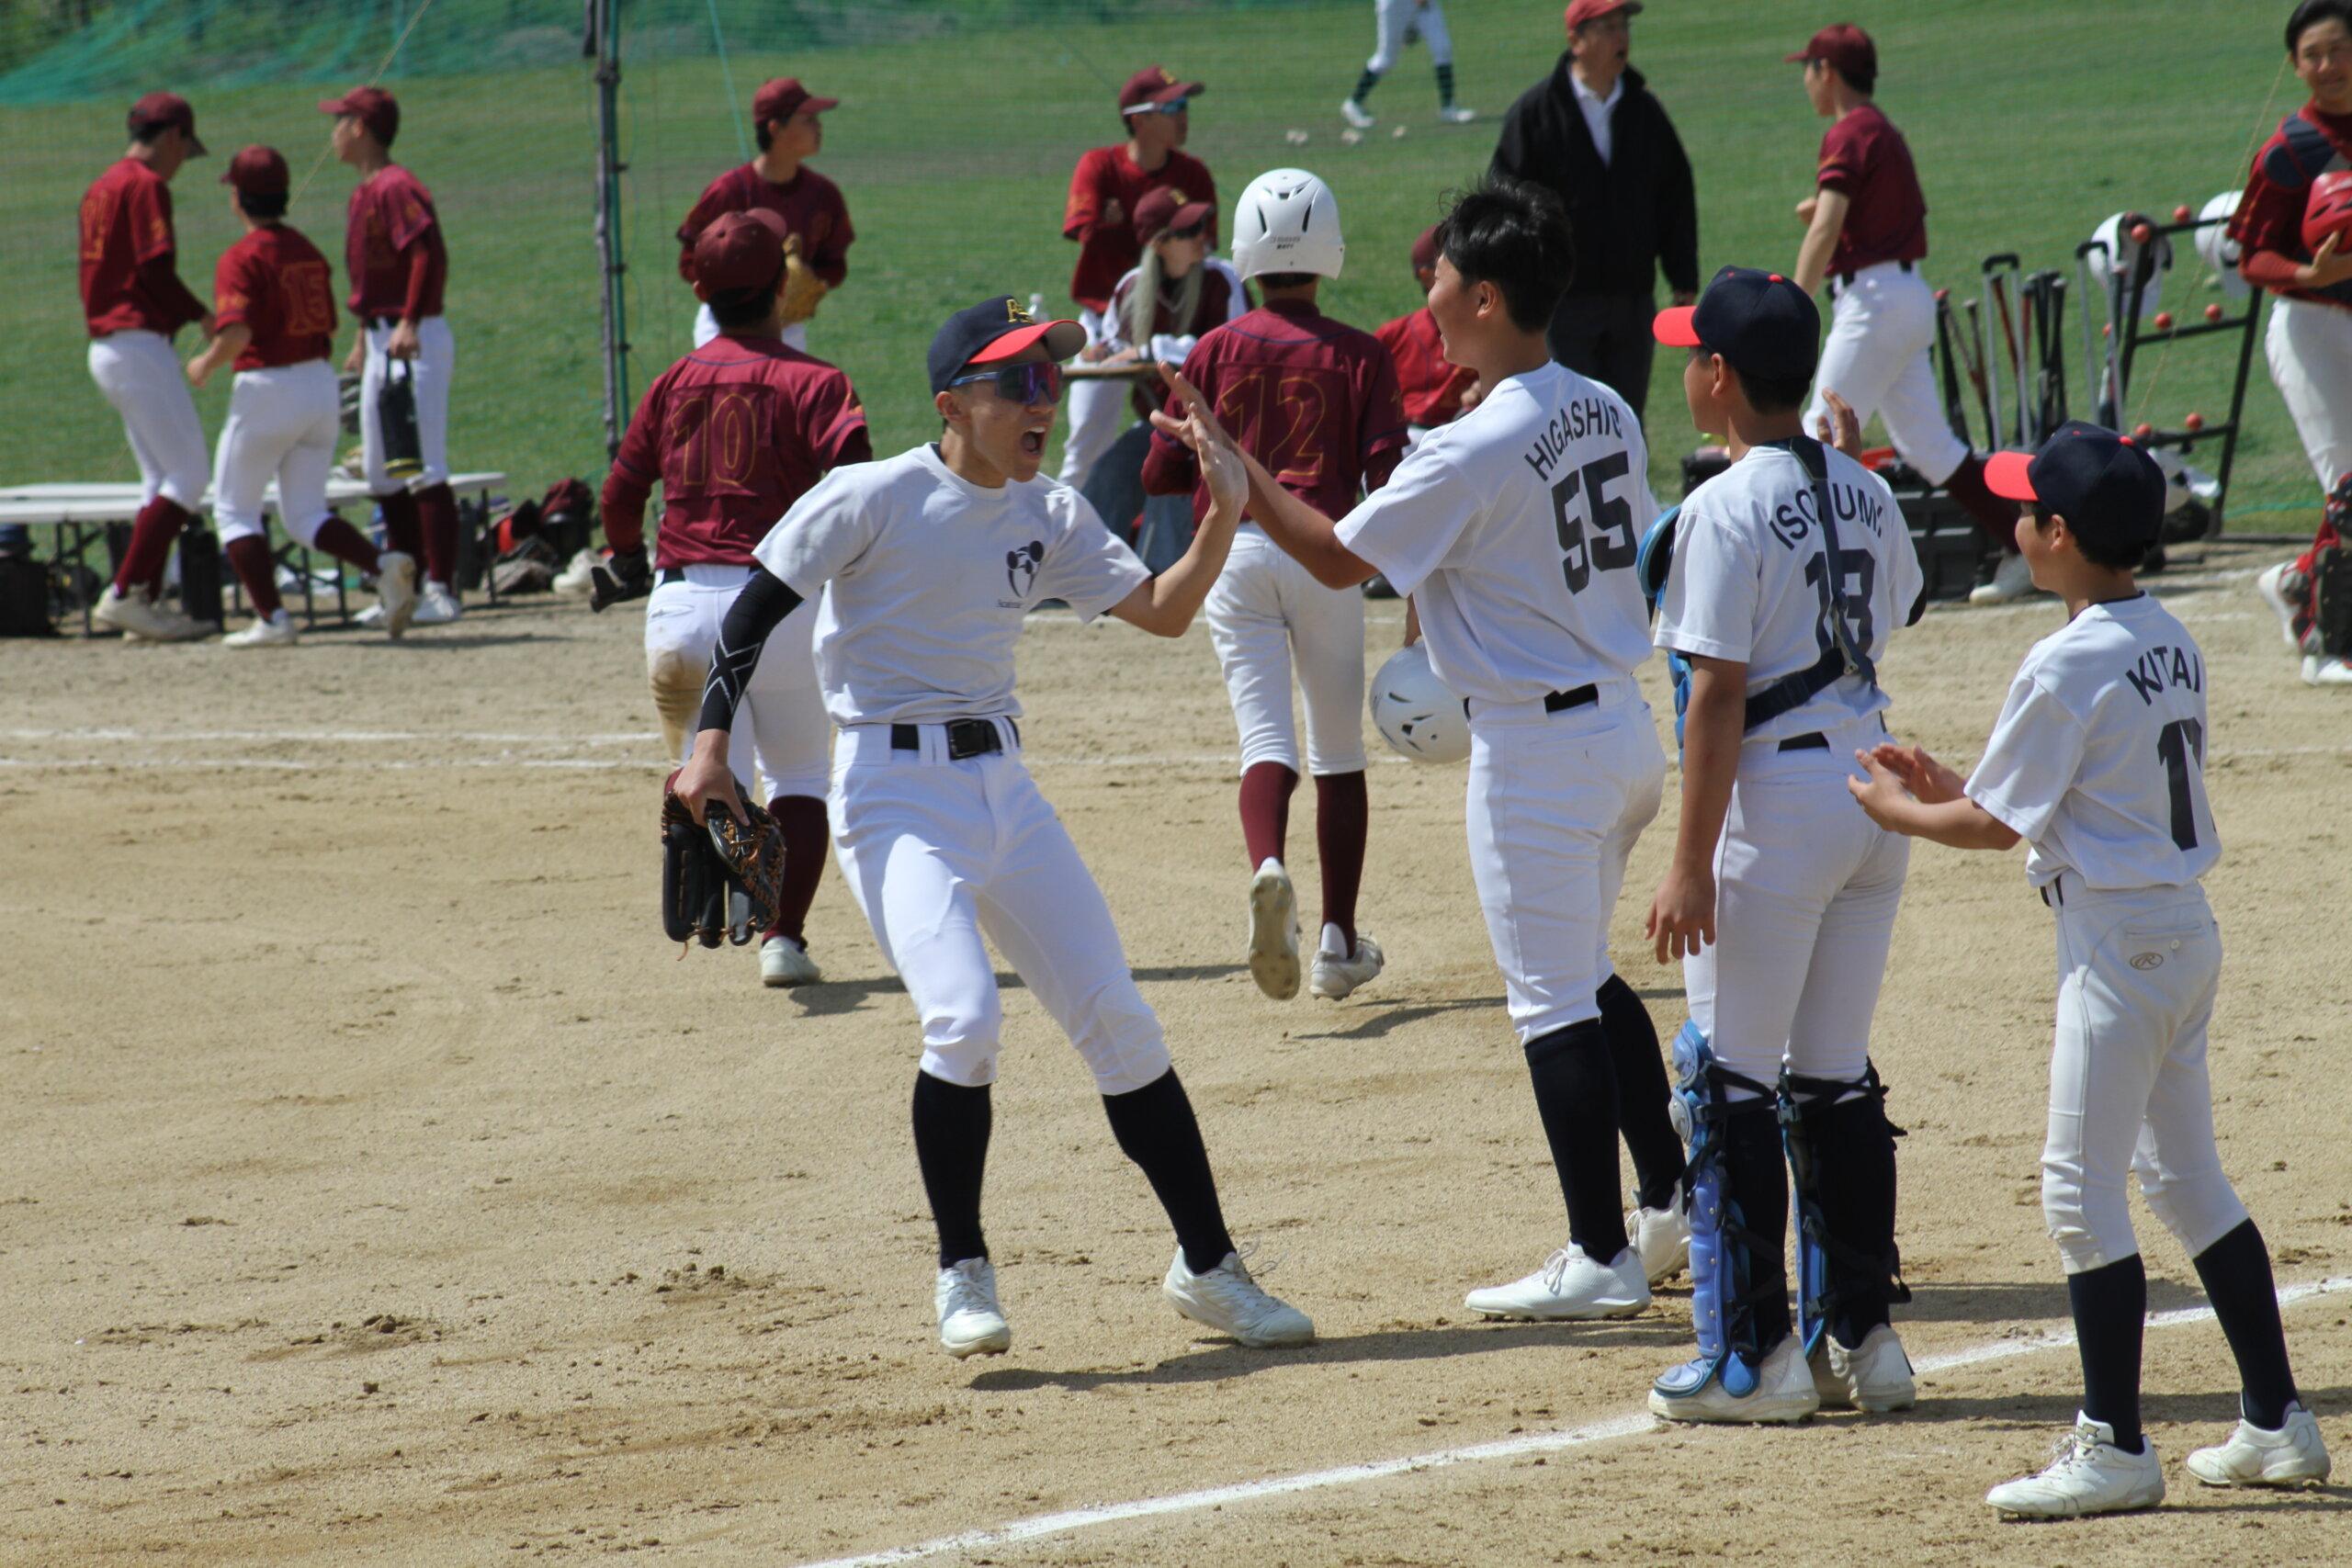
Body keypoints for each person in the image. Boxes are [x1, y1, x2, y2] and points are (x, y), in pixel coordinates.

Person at [668, 296, 1313, 1359]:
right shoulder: (871, 496)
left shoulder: (1048, 510)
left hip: (1005, 792)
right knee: (963, 1020)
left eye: (1048, 378)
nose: (1040, 400)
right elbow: (754, 610)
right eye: (1016, 380)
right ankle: (961, 1269)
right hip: (889, 795)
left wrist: (1223, 513)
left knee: (1121, 1021)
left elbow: (1161, 612)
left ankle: (1209, 1270)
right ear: (952, 403)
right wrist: (708, 750)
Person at [1151, 175, 1692, 1317]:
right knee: (1588, 977)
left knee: (1549, 1002)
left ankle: (1599, 1253)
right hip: (1621, 728)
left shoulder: (1467, 445)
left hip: (1537, 756)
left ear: (1486, 297)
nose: (1427, 292)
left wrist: (1235, 471)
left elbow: (1335, 556)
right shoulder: (1605, 403)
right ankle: (1667, 1200)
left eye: (1440, 275)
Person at [1849, 422, 2333, 1516]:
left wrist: (1898, 811)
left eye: (2026, 512)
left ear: (2059, 535)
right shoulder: (2167, 634)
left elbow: (1992, 828)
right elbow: (2070, 789)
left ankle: (2114, 1445)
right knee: (2186, 1179)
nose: (2013, 523)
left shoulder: (2063, 657)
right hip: (2178, 932)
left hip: (2117, 947)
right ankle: (2275, 1422)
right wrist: (1949, 783)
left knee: (2078, 1191)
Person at [1644, 266, 1926, 1425]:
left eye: (1692, 354)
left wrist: (1687, 861)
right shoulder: (1863, 486)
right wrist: (1838, 475)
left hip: (1777, 802)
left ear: (1718, 375)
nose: (1685, 368)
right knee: (1834, 1079)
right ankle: (1863, 1341)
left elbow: (1716, 695)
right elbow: (1896, 605)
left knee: (1730, 1085)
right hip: (1870, 792)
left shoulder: (1718, 507)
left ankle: (1749, 1362)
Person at [1141, 169, 1406, 1004]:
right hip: (1324, 551)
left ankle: (1267, 863)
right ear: (1330, 250)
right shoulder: (1362, 353)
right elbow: (1387, 476)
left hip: (1233, 553)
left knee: (1265, 740)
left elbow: (1156, 473)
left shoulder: (1213, 351)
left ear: (1246, 253)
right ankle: (1335, 941)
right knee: (1338, 751)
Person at [600, 209, 871, 987]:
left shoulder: (671, 382)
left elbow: (620, 496)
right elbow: (855, 486)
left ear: (699, 291)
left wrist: (625, 558)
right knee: (802, 776)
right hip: (780, 604)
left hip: (681, 609)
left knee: (712, 769)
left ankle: (706, 829)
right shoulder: (817, 381)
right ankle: (782, 938)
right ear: (785, 286)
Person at [1780, 25, 2023, 606]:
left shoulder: (1848, 131)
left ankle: (1798, 578)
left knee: (1816, 430)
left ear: (1827, 72)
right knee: (1930, 448)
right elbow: (1867, 212)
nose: (1806, 81)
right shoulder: (1883, 130)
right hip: (1906, 297)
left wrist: (1791, 306)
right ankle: (2025, 544)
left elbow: (1826, 227)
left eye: (1808, 69)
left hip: (1874, 303)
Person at [186, 145, 418, 648]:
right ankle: (382, 564)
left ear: (238, 198)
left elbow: (238, 333)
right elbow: (328, 323)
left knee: (233, 511)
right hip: (318, 384)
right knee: (305, 513)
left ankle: (272, 618)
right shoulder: (308, 249)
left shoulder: (241, 256)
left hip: (268, 388)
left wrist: (205, 363)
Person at [1490, 0, 1697, 424]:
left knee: (1625, 418)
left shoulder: (1644, 111)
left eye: (1624, 27)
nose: (1622, 37)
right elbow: (1505, 200)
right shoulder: (1535, 114)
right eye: (1608, 28)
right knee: (1570, 421)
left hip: (1632, 296)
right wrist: (1526, 280)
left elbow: (1674, 195)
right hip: (1562, 301)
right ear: (1576, 40)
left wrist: (1683, 276)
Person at [2235, 0, 2352, 684]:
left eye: (2339, 49)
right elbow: (2251, 254)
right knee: (2348, 490)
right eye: (2314, 55)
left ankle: (2294, 581)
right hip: (2311, 324)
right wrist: (2311, 273)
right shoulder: (2289, 148)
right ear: (2294, 65)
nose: (2328, 65)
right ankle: (2323, 641)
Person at [322, 85, 464, 626]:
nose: (334, 132)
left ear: (360, 128)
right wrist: (364, 336)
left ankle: (441, 591)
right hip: (384, 337)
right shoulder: (364, 191)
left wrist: (408, 319)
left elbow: (427, 255)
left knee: (424, 466)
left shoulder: (396, 186)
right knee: (383, 472)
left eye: (340, 121)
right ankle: (402, 590)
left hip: (414, 336)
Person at [81, 90, 216, 642]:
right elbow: (155, 267)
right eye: (185, 147)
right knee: (190, 475)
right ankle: (122, 595)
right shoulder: (146, 185)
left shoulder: (102, 185)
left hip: (109, 347)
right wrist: (201, 314)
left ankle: (144, 603)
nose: (183, 160)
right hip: (137, 344)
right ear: (172, 137)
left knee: (159, 479)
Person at [1057, 65, 1217, 492]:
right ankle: (1060, 526)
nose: (1184, 116)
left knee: (1190, 435)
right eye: (1173, 107)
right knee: (1085, 443)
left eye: (1185, 105)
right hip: (1105, 331)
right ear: (1139, 118)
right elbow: (1084, 230)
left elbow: (1202, 254)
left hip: (1179, 325)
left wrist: (1121, 224)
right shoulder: (1099, 166)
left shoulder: (1194, 175)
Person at [1076, 186, 1249, 573]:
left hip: (1222, 429)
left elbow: (1232, 348)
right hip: (1161, 424)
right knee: (1110, 473)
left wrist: (1149, 348)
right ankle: (1081, 574)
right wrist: (1098, 353)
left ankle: (1164, 580)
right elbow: (1112, 346)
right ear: (1158, 243)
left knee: (1168, 484)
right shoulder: (1131, 286)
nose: (1201, 237)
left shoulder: (1222, 279)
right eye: (1188, 232)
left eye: (1201, 226)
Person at [675, 78, 854, 354]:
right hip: (723, 326)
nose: (818, 126)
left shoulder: (824, 195)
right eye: (808, 119)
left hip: (786, 326)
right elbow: (689, 261)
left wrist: (809, 278)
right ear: (775, 128)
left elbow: (835, 265)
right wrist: (739, 292)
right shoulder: (729, 192)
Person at [1375, 225, 1482, 445]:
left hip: (1465, 438)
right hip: (1406, 441)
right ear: (1427, 277)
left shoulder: (1490, 333)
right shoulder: (1393, 337)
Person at [1340, 0, 1476, 128]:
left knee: (1442, 48)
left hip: (1424, 3)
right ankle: (1353, 104)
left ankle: (1448, 108)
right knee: (1386, 59)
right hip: (1395, 5)